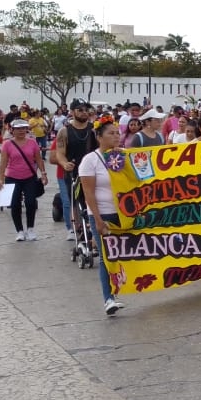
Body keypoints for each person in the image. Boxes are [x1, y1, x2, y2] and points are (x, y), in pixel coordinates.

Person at [79, 115, 127, 315]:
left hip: (125, 214)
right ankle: (108, 298)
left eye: (118, 133)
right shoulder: (90, 160)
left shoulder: (126, 155)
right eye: (111, 133)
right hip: (104, 214)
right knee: (107, 257)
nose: (116, 136)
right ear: (99, 136)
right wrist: (97, 219)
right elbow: (89, 193)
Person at [0, 119, 49, 241]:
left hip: (29, 177)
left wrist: (43, 173)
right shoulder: (7, 144)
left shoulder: (32, 143)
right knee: (15, 204)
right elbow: (3, 162)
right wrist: (0, 178)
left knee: (31, 203)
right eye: (18, 129)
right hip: (12, 177)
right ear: (12, 130)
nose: (21, 131)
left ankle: (30, 228)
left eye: (23, 128)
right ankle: (19, 231)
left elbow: (38, 159)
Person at [54, 101, 98, 242]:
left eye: (86, 109)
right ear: (72, 111)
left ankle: (94, 227)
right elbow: (60, 153)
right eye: (80, 110)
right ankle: (78, 228)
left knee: (93, 200)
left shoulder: (94, 129)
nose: (84, 112)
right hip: (73, 172)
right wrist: (64, 163)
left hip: (93, 171)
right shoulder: (64, 131)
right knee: (76, 201)